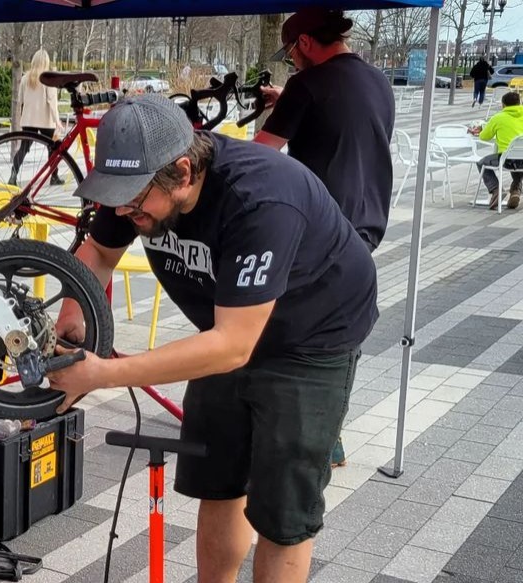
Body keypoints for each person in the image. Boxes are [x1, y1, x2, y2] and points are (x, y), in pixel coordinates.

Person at [47, 95, 378, 583]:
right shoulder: (137, 179)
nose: (121, 208)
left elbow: (232, 347)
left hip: (311, 337)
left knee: (282, 510)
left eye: (134, 201)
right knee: (217, 479)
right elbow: (98, 252)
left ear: (183, 172)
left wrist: (103, 374)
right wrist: (74, 316)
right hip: (226, 327)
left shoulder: (261, 200)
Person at [253, 7, 394, 468]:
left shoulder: (307, 85)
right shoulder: (378, 81)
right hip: (366, 223)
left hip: (318, 228)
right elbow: (343, 121)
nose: (292, 61)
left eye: (292, 53)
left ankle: (314, 435)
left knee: (299, 328)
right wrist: (287, 100)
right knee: (341, 327)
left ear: (306, 43)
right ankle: (328, 432)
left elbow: (260, 156)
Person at [10, 48, 65, 186]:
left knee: (23, 148)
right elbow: (52, 102)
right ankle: (54, 176)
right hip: (46, 120)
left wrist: (22, 117)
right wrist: (57, 120)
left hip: (29, 120)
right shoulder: (48, 79)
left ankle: (13, 175)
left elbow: (20, 100)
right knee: (53, 148)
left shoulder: (25, 78)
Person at [470, 90, 523, 209]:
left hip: (506, 159)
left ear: (503, 105)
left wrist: (481, 130)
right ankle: (515, 190)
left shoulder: (498, 118)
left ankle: (496, 189)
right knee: (518, 161)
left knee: (481, 162)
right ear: (519, 103)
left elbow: (484, 136)